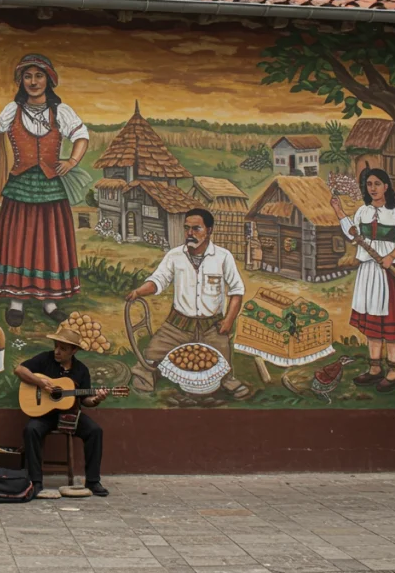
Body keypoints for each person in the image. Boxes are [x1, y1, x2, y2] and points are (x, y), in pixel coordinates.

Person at [0, 53, 89, 327]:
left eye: (38, 76)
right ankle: (16, 302)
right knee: (19, 241)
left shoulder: (61, 111)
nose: (33, 81)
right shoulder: (13, 109)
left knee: (49, 243)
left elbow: (82, 136)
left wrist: (71, 161)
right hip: (21, 186)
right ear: (20, 81)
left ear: (48, 79)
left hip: (50, 187)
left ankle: (49, 303)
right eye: (27, 76)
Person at [126, 209, 250, 399]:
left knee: (221, 361)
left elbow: (237, 291)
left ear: (209, 230)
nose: (190, 233)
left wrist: (228, 321)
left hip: (211, 325)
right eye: (186, 228)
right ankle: (145, 375)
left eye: (196, 228)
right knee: (151, 353)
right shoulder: (174, 256)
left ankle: (226, 379)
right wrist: (139, 291)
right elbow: (158, 280)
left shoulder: (223, 257)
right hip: (178, 324)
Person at [330, 168, 395, 392]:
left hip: (391, 272)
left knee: (390, 322)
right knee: (372, 321)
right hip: (369, 269)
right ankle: (375, 368)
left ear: (386, 186)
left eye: (377, 183)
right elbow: (353, 234)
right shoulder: (362, 212)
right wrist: (339, 211)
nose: (373, 188)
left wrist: (391, 256)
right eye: (369, 184)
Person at [14, 327, 108, 498]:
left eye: (63, 349)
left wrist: (97, 399)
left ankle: (93, 482)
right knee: (31, 430)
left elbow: (86, 400)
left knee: (95, 431)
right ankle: (35, 482)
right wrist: (41, 383)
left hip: (71, 415)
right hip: (44, 415)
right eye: (56, 346)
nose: (57, 351)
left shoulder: (81, 370)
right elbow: (20, 370)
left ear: (74, 350)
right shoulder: (45, 359)